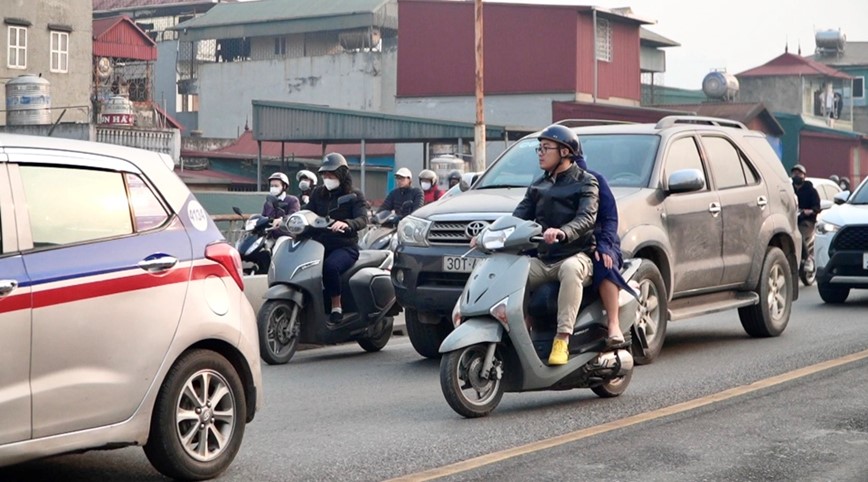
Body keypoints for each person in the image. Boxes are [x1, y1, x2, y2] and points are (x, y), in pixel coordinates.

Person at [512, 124, 599, 366]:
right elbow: (517, 217)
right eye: (538, 148)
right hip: (544, 259)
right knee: (513, 272)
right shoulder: (538, 184)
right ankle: (521, 331)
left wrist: (562, 232)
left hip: (577, 255)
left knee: (571, 270)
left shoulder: (586, 182)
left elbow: (586, 218)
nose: (540, 153)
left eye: (546, 148)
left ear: (565, 151)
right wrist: (490, 233)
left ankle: (562, 338)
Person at [572, 145, 636, 348]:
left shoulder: (594, 179)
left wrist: (604, 246)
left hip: (598, 241)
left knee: (603, 263)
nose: (541, 153)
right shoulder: (544, 184)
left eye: (546, 149)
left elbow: (609, 218)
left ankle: (613, 323)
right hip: (566, 244)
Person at [305, 153, 368, 323]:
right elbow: (306, 211)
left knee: (330, 267)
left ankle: (336, 306)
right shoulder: (318, 193)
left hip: (345, 246)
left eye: (331, 174)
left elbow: (363, 219)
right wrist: (289, 218)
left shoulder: (354, 195)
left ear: (341, 174)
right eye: (324, 174)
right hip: (319, 245)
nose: (327, 178)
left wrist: (347, 223)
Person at [792, 164, 821, 272]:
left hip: (807, 222)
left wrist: (809, 211)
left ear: (804, 176)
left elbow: (817, 207)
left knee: (799, 235)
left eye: (799, 174)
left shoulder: (811, 191)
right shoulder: (789, 189)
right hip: (791, 219)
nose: (796, 176)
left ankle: (808, 259)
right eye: (794, 173)